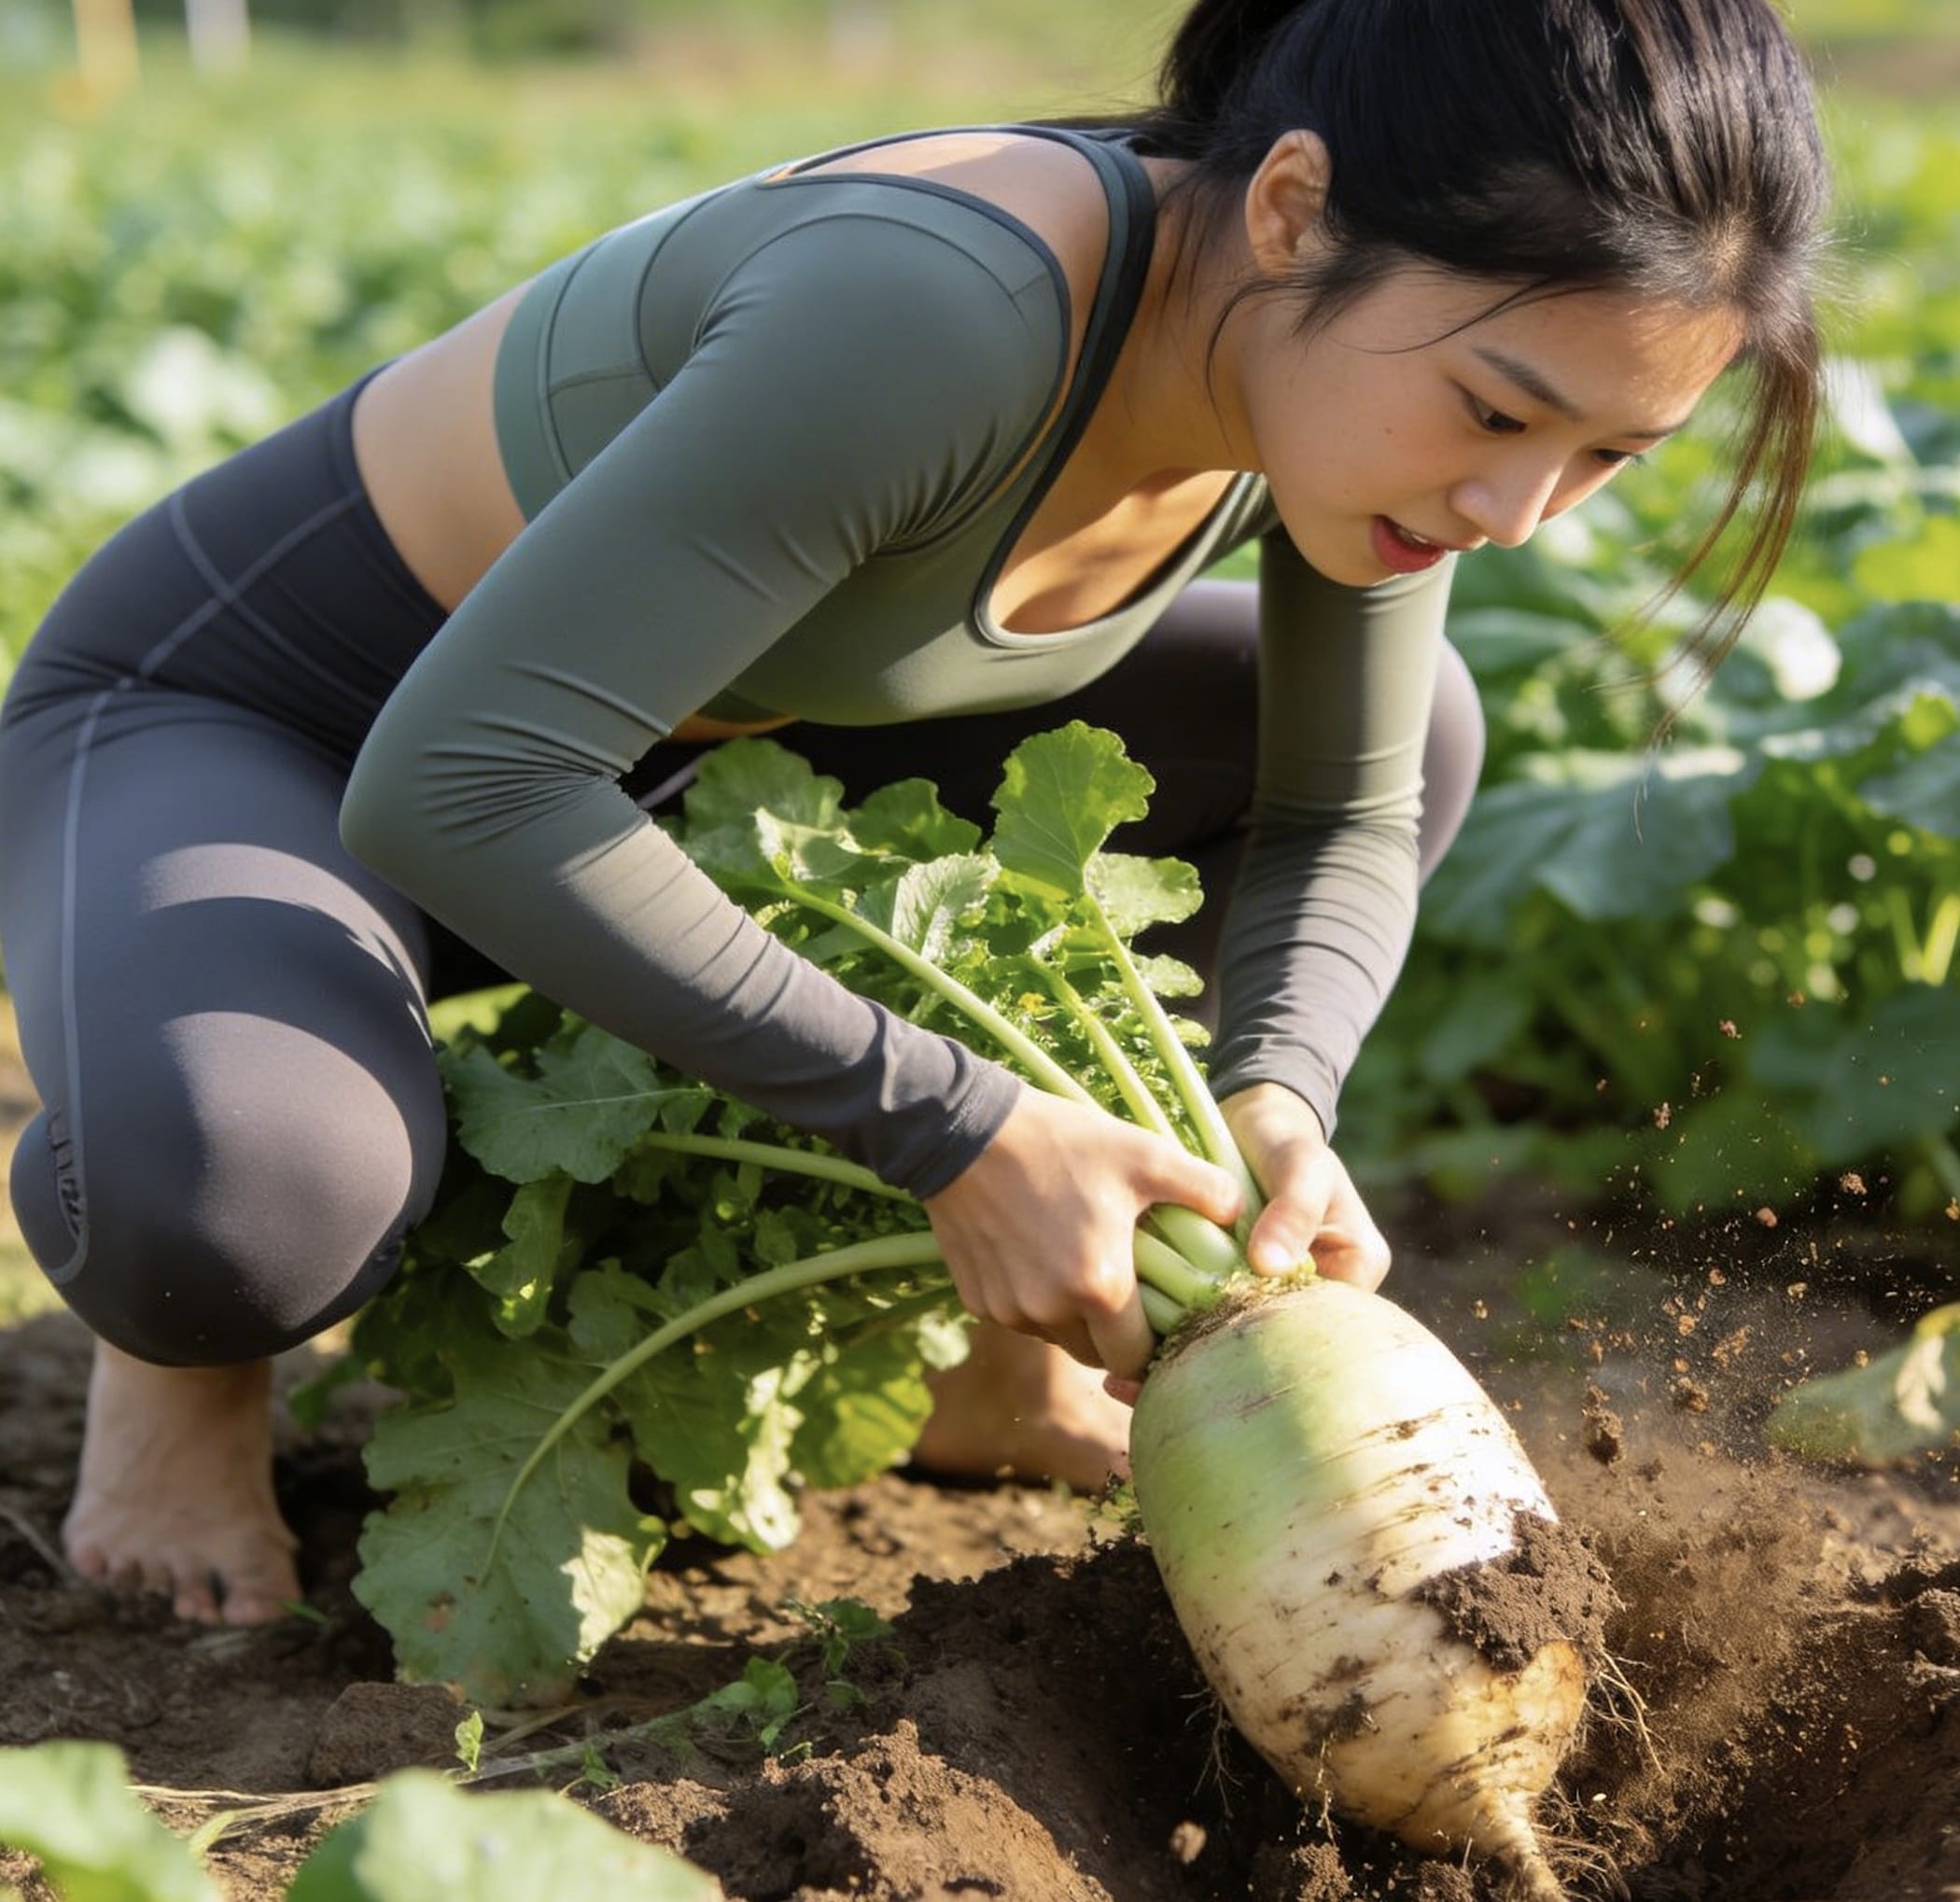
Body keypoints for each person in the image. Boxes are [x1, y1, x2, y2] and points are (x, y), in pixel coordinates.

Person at [0, 0, 1827, 1627]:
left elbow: (1343, 801)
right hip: (273, 728)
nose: (1524, 507)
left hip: (678, 761)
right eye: (1501, 410)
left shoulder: (1334, 396)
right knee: (250, 1193)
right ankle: (183, 1344)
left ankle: (984, 1361)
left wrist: (1274, 1085)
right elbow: (460, 773)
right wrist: (952, 1123)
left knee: (1416, 717)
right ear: (1291, 209)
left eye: (1604, 455)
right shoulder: (940, 310)